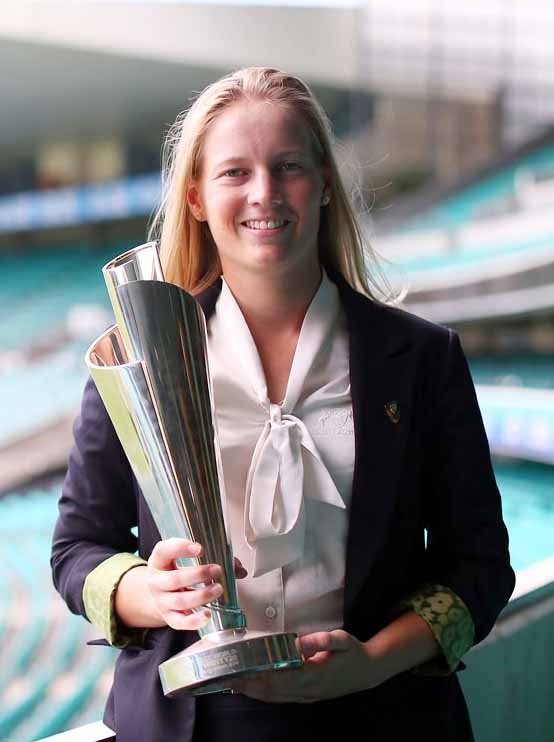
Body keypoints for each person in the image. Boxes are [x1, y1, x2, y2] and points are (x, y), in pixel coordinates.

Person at [51, 67, 515, 742]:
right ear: (198, 198)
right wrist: (146, 594)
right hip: (191, 722)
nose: (264, 193)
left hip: (380, 714)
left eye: (288, 165)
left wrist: (369, 664)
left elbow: (481, 566)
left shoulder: (422, 358)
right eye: (235, 172)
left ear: (325, 182)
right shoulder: (134, 359)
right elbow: (76, 549)